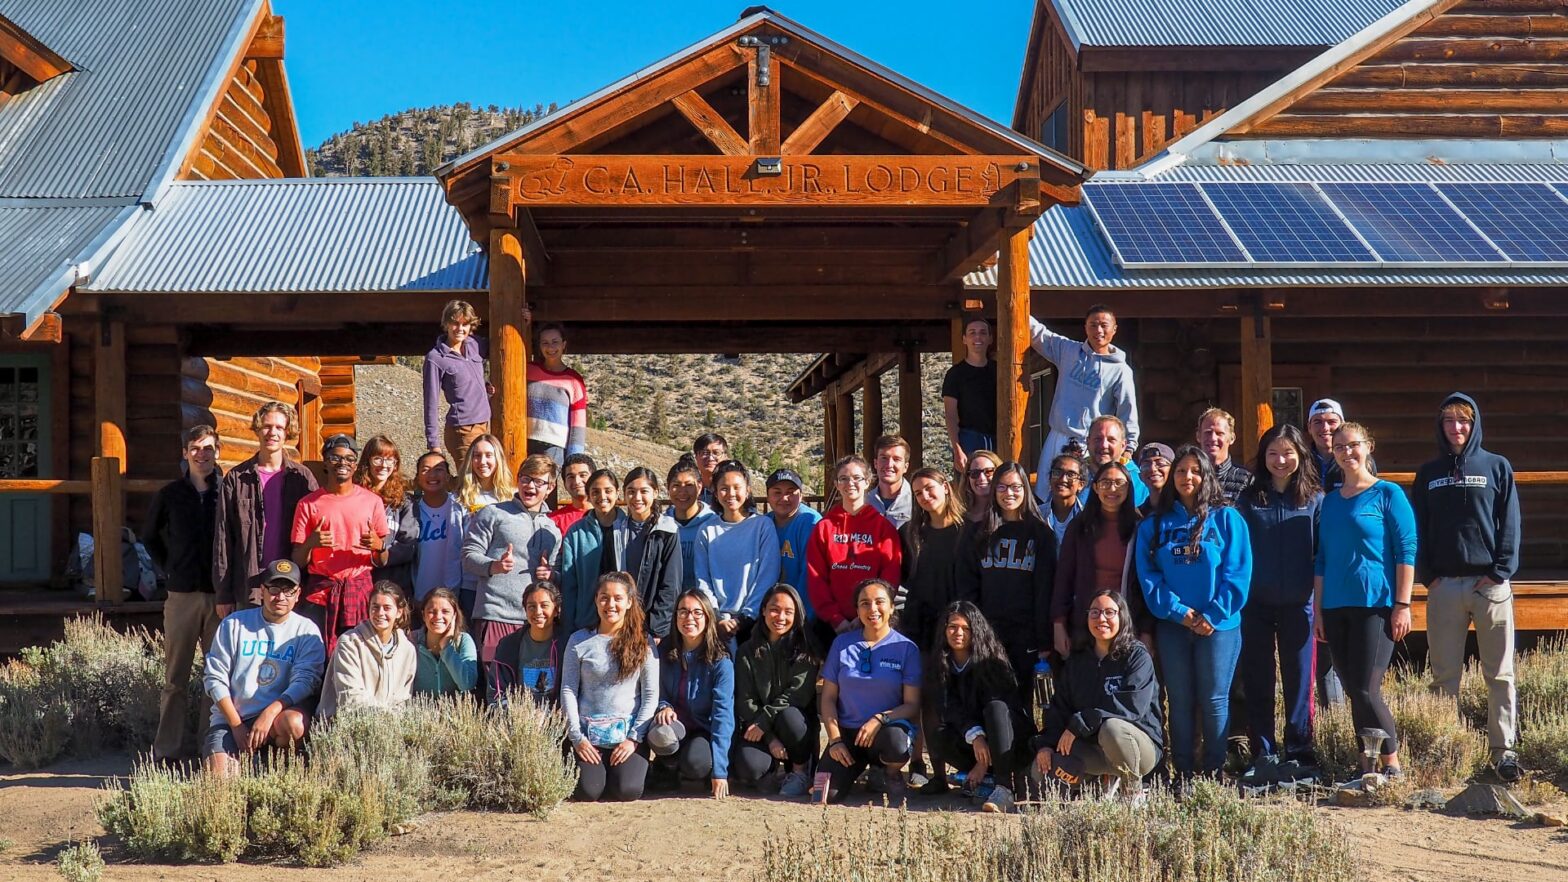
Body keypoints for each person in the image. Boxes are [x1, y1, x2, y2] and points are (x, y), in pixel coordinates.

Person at [1413, 393, 1522, 783]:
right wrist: (1428, 575)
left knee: (1500, 674)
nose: (1456, 428)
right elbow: (1418, 529)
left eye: (1464, 421)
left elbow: (1509, 522)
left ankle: (1504, 751)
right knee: (1444, 676)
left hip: (1489, 586)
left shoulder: (1496, 466)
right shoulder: (1428, 473)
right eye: (1449, 421)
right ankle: (1448, 750)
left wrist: (1500, 570)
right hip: (1445, 587)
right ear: (1439, 426)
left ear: (1474, 424)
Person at [1136, 444, 1251, 777]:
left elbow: (1238, 573)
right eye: (1182, 471)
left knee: (1214, 699)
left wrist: (1212, 615)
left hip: (1219, 626)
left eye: (1195, 471)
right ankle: (1183, 773)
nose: (1188, 477)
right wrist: (1178, 612)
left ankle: (1213, 773)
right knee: (1181, 700)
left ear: (1207, 476)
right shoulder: (1154, 525)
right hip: (1173, 625)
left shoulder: (1228, 518)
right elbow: (1150, 577)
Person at [1317, 423, 1416, 778]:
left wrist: (1403, 604)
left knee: (1366, 688)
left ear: (1368, 446)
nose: (1347, 452)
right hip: (1335, 604)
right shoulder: (1329, 502)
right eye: (1340, 447)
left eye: (1353, 445)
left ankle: (1392, 763)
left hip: (1376, 603)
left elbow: (1406, 551)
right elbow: (1322, 559)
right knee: (1351, 687)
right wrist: (1318, 610)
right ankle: (1366, 764)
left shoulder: (1388, 494)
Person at [1236, 424, 1323, 782]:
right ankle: (1264, 753)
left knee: (1300, 679)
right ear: (1263, 457)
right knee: (1258, 679)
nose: (1280, 460)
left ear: (1301, 455)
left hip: (1299, 604)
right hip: (1255, 604)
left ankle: (1300, 752)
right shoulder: (1249, 498)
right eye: (1273, 453)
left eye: (1288, 453)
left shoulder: (1315, 499)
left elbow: (1322, 555)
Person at [1034, 589, 1162, 803]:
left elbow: (1131, 707)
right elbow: (1060, 707)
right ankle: (1095, 787)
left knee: (1112, 728)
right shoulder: (1077, 660)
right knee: (1042, 769)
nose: (1101, 619)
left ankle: (1133, 792)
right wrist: (1046, 744)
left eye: (1109, 613)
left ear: (1122, 617)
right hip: (1095, 751)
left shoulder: (1137, 656)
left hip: (1137, 747)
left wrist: (1084, 721)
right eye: (1094, 612)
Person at [202, 559, 326, 776]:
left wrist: (271, 711)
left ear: (298, 594)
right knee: (219, 783)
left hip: (276, 719)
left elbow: (306, 681)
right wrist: (236, 725)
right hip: (233, 719)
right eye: (274, 589)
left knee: (294, 724)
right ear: (262, 591)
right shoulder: (234, 624)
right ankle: (240, 762)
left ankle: (278, 770)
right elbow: (214, 679)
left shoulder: (307, 631)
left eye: (288, 591)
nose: (280, 597)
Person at [145, 425, 223, 762]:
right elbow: (149, 536)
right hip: (182, 596)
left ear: (217, 451)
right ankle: (167, 749)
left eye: (208, 448)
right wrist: (170, 569)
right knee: (175, 677)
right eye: (195, 448)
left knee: (216, 675)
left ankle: (210, 745)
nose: (201, 455)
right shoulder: (170, 494)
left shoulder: (227, 492)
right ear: (185, 452)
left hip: (220, 595)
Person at [957, 461, 1057, 714]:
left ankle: (1022, 752)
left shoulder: (1041, 535)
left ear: (1025, 489)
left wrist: (1044, 640)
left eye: (1015, 487)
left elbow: (1045, 590)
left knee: (1021, 702)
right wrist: (974, 630)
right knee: (990, 701)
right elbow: (968, 587)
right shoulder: (978, 533)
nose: (1008, 493)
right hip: (988, 632)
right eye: (1001, 487)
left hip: (1026, 634)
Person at [815, 578, 921, 804]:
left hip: (884, 731)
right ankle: (854, 770)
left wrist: (880, 719)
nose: (872, 609)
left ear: (892, 606)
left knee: (896, 744)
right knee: (824, 796)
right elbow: (828, 698)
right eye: (864, 603)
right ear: (857, 609)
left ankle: (889, 773)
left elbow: (912, 705)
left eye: (879, 602)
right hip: (847, 736)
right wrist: (835, 740)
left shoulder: (906, 649)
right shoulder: (841, 644)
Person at [463, 454, 562, 692]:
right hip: (497, 613)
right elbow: (468, 555)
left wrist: (551, 575)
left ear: (550, 488)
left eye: (539, 482)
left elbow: (557, 574)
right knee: (496, 687)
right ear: (517, 481)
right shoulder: (493, 514)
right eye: (526, 479)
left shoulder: (553, 529)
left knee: (532, 688)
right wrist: (493, 566)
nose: (531, 486)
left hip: (536, 621)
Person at [923, 601, 1034, 812]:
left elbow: (1000, 711)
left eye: (966, 628)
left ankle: (1003, 786)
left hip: (1010, 742)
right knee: (940, 735)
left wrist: (983, 756)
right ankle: (986, 780)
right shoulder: (940, 664)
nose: (958, 633)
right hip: (974, 740)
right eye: (952, 627)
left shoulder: (992, 662)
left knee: (995, 708)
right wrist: (975, 736)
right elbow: (949, 708)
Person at [214, 401, 318, 617]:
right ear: (257, 429)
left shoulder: (302, 479)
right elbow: (223, 539)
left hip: (290, 587)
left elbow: (314, 533)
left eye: (279, 427)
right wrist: (223, 594)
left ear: (288, 432)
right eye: (267, 426)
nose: (272, 433)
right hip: (248, 586)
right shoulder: (236, 478)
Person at [561, 572, 659, 802]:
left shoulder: (644, 642)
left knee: (627, 791)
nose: (610, 604)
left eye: (617, 598)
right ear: (596, 600)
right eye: (604, 597)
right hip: (587, 735)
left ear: (629, 602)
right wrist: (577, 738)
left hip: (627, 736)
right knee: (589, 791)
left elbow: (650, 694)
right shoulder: (579, 641)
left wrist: (633, 739)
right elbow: (568, 690)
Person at [290, 435, 388, 656]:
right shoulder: (308, 504)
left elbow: (382, 560)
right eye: (335, 457)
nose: (342, 463)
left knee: (360, 656)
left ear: (355, 465)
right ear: (325, 461)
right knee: (318, 656)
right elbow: (297, 560)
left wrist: (379, 545)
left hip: (359, 590)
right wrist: (311, 544)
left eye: (349, 459)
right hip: (321, 593)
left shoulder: (373, 502)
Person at [1029, 306, 1140, 497]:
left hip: (1089, 444)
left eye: (1104, 325)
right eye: (1093, 325)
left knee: (1082, 497)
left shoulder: (1121, 370)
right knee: (1046, 493)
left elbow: (1127, 411)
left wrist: (1128, 449)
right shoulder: (1068, 351)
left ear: (1114, 329)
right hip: (1058, 435)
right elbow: (1038, 333)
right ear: (1085, 327)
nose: (1099, 331)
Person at [732, 584, 820, 796]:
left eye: (788, 612)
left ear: (797, 614)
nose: (780, 617)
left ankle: (800, 770)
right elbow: (745, 699)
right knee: (748, 767)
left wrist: (764, 721)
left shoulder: (805, 647)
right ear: (763, 610)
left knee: (790, 716)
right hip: (760, 728)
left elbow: (797, 694)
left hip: (794, 724)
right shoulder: (747, 650)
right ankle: (772, 772)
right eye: (774, 609)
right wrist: (770, 737)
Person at [807, 455, 902, 651]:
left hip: (873, 621)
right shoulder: (824, 527)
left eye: (857, 478)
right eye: (844, 478)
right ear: (836, 484)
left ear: (867, 482)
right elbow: (816, 577)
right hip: (832, 626)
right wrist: (836, 619)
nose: (850, 483)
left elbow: (890, 576)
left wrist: (866, 615)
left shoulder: (882, 527)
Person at [647, 590, 735, 799]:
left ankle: (686, 767)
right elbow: (654, 691)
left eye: (697, 613)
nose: (689, 618)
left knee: (696, 764)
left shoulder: (721, 662)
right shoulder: (664, 651)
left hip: (702, 729)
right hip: (673, 727)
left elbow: (723, 715)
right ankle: (668, 764)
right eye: (683, 612)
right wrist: (663, 705)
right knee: (660, 734)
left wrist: (720, 771)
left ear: (708, 618)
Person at [1053, 460, 1143, 658]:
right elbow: (1063, 578)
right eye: (1105, 483)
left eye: (1120, 483)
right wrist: (1059, 623)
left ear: (1129, 488)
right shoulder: (1079, 527)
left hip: (1128, 623)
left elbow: (1145, 583)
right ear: (1095, 487)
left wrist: (1146, 631)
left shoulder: (1140, 527)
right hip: (1085, 622)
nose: (1112, 489)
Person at [695, 460, 781, 646]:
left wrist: (746, 616)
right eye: (724, 488)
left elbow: (768, 575)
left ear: (747, 490)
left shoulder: (762, 526)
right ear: (715, 493)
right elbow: (703, 578)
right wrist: (718, 616)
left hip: (756, 621)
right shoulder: (706, 530)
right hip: (717, 622)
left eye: (737, 487)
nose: (731, 493)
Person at [318, 581, 417, 719]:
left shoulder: (407, 650)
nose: (380, 613)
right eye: (375, 607)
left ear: (399, 612)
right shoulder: (350, 642)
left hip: (390, 728)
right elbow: (349, 698)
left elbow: (403, 699)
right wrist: (384, 718)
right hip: (346, 726)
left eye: (387, 608)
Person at [899, 467, 967, 658]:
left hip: (958, 623)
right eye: (918, 493)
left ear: (945, 487)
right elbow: (903, 576)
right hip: (920, 625)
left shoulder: (967, 530)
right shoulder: (909, 533)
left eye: (929, 488)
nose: (925, 496)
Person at [559, 469, 631, 634]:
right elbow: (569, 583)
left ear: (617, 493)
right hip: (587, 619)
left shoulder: (629, 528)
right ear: (589, 496)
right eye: (595, 492)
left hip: (624, 618)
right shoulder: (576, 532)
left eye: (608, 491)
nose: (602, 496)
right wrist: (568, 626)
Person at [424, 299, 492, 466]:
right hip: (462, 430)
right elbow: (430, 403)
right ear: (446, 324)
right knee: (469, 482)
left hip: (486, 425)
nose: (460, 329)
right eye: (455, 323)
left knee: (485, 480)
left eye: (465, 324)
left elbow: (503, 343)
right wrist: (434, 444)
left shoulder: (475, 344)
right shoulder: (435, 358)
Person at [621, 467, 683, 643]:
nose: (637, 498)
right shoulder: (618, 529)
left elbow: (670, 584)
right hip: (622, 620)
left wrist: (657, 629)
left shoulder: (666, 530)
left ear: (655, 492)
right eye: (631, 492)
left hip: (653, 627)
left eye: (644, 491)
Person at [355, 436, 418, 594]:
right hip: (358, 580)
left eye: (390, 460)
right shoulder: (354, 496)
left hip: (394, 584)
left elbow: (409, 545)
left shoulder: (404, 502)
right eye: (378, 459)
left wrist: (382, 551)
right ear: (367, 461)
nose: (384, 465)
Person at [526, 322, 588, 468]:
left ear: (563, 344)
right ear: (539, 346)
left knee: (547, 489)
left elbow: (577, 426)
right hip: (522, 442)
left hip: (553, 449)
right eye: (545, 343)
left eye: (555, 342)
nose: (550, 347)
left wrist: (574, 461)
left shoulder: (574, 380)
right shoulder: (527, 370)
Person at [409, 451, 465, 603]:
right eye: (425, 470)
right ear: (418, 478)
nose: (432, 475)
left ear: (448, 476)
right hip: (421, 597)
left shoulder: (460, 507)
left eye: (438, 469)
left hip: (457, 596)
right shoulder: (411, 511)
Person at [942, 316, 997, 471]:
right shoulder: (955, 374)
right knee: (970, 488)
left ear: (990, 338)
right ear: (964, 339)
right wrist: (957, 449)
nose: (977, 337)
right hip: (969, 439)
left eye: (983, 333)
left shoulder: (1000, 370)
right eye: (972, 333)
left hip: (998, 438)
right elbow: (950, 415)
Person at [766, 468, 821, 609]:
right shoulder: (764, 523)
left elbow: (810, 575)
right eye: (777, 492)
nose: (784, 498)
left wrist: (800, 614)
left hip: (801, 608)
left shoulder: (810, 522)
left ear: (801, 495)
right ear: (767, 496)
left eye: (791, 492)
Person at [411, 587, 478, 696]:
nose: (438, 617)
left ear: (454, 615)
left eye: (445, 611)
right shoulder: (411, 640)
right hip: (418, 710)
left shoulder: (464, 640)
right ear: (423, 615)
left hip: (454, 711)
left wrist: (447, 646)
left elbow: (467, 684)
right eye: (432, 611)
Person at [1076, 415, 1150, 509]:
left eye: (1111, 440)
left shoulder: (1139, 481)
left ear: (1123, 445)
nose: (1104, 445)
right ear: (1088, 442)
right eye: (1098, 439)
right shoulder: (1073, 475)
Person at [515, 580, 568, 706]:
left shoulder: (567, 644)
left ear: (556, 610)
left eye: (544, 606)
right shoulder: (510, 645)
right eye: (531, 606)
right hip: (520, 720)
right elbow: (497, 692)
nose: (538, 612)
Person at [667, 457, 715, 591]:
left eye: (689, 485)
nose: (682, 492)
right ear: (668, 488)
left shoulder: (713, 524)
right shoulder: (662, 525)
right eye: (676, 485)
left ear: (699, 487)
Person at [1197, 408, 1252, 504]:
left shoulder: (1246, 479)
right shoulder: (1191, 476)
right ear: (1198, 436)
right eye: (1208, 432)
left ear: (1231, 438)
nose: (1213, 438)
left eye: (1219, 433)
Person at [866, 435, 914, 529]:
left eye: (896, 459)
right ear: (875, 463)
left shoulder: (918, 502)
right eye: (884, 458)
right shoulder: (863, 503)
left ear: (906, 467)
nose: (889, 465)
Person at [1040, 453, 1086, 545]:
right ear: (1050, 479)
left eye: (1071, 475)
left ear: (1081, 484)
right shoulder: (1037, 515)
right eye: (1057, 473)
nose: (1063, 479)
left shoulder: (1088, 518)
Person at [550, 453, 596, 536]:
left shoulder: (608, 516)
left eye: (582, 475)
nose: (577, 481)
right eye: (571, 477)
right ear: (564, 484)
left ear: (594, 478)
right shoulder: (553, 521)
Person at [1307, 398, 1347, 491]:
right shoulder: (1301, 460)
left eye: (1331, 422)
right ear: (1309, 427)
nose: (1325, 428)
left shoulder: (1355, 459)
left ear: (1342, 425)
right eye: (1318, 422)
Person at [960, 449, 1000, 523]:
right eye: (975, 473)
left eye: (988, 471)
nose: (981, 478)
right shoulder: (958, 516)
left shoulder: (1007, 512)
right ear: (967, 478)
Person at [1135, 442, 1172, 517]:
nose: (1152, 469)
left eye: (1160, 464)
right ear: (1140, 476)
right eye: (1146, 465)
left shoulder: (1184, 509)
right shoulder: (1138, 515)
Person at [691, 433, 729, 505]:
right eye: (704, 453)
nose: (710, 458)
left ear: (725, 457)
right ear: (696, 457)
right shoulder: (690, 489)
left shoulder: (733, 489)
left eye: (716, 453)